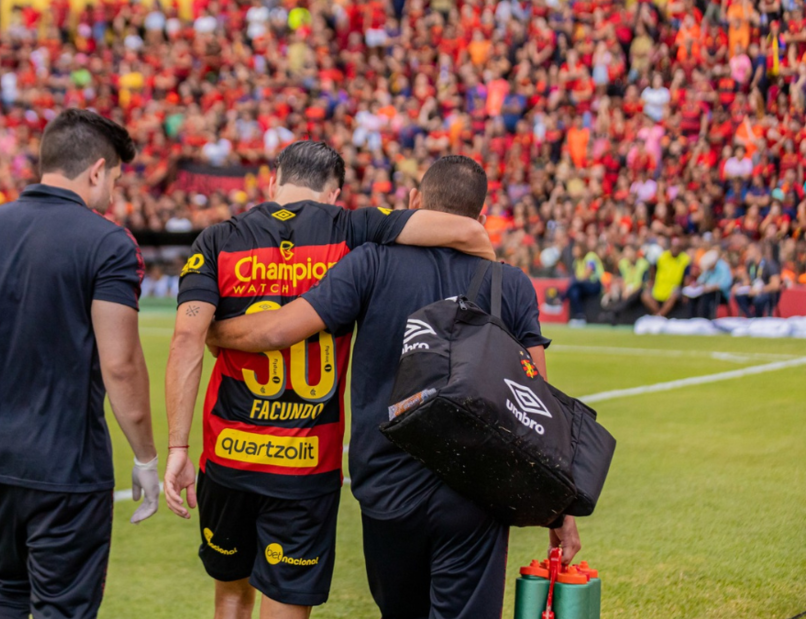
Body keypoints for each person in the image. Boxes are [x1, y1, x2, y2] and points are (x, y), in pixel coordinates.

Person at [206, 156, 581, 619]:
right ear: (480, 220)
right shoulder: (512, 284)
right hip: (475, 493)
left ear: (413, 204)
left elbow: (278, 330)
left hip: (386, 487)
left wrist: (214, 332)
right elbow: (537, 405)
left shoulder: (370, 262)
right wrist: (557, 508)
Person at [163, 142, 495, 619]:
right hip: (306, 463)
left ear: (273, 181)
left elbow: (185, 341)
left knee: (231, 597)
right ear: (335, 193)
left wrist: (178, 448)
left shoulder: (219, 239)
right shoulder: (352, 227)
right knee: (287, 603)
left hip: (228, 454)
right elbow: (468, 231)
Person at [0, 109, 160, 619]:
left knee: (4, 590)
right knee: (63, 607)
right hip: (64, 462)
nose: (113, 193)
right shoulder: (107, 242)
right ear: (97, 171)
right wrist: (145, 456)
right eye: (114, 178)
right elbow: (121, 365)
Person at [600, 245, 649, 323]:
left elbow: (642, 283)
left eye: (628, 251)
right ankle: (611, 310)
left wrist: (630, 291)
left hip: (638, 289)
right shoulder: (623, 263)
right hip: (626, 288)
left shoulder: (643, 263)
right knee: (615, 288)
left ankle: (613, 311)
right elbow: (621, 279)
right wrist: (625, 290)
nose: (625, 253)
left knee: (637, 292)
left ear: (634, 252)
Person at [642, 238, 691, 317]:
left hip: (674, 287)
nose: (674, 250)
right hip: (660, 286)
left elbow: (687, 278)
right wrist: (652, 282)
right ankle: (659, 314)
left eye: (677, 247)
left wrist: (686, 292)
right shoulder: (662, 256)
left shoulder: (685, 259)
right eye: (673, 247)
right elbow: (653, 271)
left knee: (674, 294)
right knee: (645, 295)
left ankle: (660, 315)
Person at [734, 243, 782, 317]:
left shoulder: (769, 264)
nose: (747, 252)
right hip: (753, 291)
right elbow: (747, 281)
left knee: (759, 299)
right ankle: (750, 317)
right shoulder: (750, 264)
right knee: (739, 296)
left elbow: (776, 285)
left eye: (749, 250)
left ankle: (758, 317)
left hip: (766, 293)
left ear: (757, 251)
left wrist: (760, 290)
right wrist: (739, 286)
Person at [565, 239, 604, 325]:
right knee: (574, 292)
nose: (573, 251)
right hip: (583, 286)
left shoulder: (590, 256)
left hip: (595, 284)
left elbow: (587, 274)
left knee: (574, 283)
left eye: (575, 248)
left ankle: (561, 297)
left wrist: (576, 281)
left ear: (581, 248)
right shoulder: (576, 261)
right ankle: (580, 316)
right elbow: (576, 277)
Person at [690, 250, 733, 319]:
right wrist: (696, 284)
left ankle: (704, 319)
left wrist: (711, 287)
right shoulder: (709, 269)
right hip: (707, 291)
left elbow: (726, 284)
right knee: (693, 297)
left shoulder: (723, 267)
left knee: (706, 296)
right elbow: (702, 278)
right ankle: (693, 318)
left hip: (721, 294)